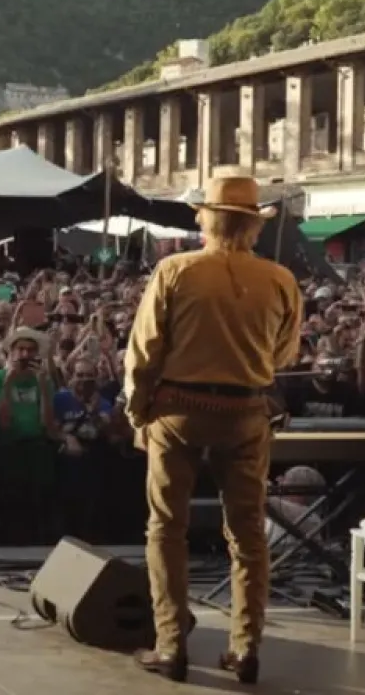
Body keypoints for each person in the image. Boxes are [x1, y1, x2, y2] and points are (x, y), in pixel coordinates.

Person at [124, 176, 302, 683]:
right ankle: (245, 648)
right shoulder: (281, 279)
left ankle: (171, 645)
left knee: (166, 529)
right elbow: (284, 354)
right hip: (246, 414)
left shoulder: (175, 270)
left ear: (205, 217)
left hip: (177, 411)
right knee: (248, 537)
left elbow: (143, 353)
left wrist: (138, 413)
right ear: (253, 224)